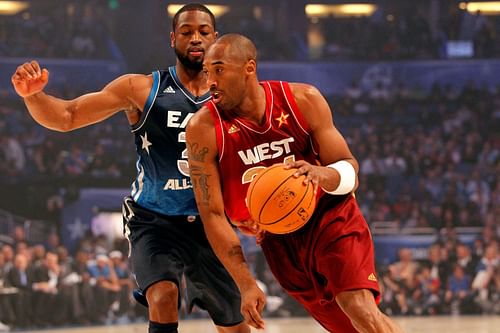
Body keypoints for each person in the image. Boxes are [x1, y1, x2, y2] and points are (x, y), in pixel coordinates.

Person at [11, 5, 250, 333]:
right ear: (172, 38)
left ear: (216, 38)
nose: (196, 38)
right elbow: (68, 116)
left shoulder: (232, 97)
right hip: (154, 220)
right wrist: (35, 97)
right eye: (186, 32)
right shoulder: (141, 88)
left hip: (212, 223)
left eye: (204, 31)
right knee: (164, 295)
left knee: (234, 324)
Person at [186, 33, 405, 333]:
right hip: (277, 238)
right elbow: (211, 214)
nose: (210, 81)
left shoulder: (303, 100)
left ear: (249, 68)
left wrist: (321, 175)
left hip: (329, 216)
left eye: (220, 70)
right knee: (350, 326)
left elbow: (350, 169)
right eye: (208, 72)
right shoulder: (203, 127)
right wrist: (246, 284)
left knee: (358, 306)